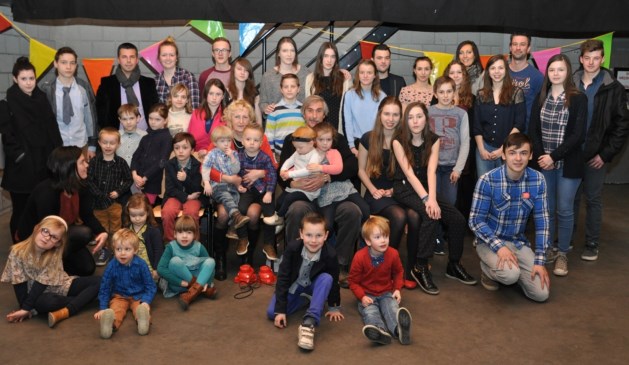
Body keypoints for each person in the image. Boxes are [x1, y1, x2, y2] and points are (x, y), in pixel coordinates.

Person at [392, 101, 476, 295]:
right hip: (405, 187)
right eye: (411, 117)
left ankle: (454, 264)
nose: (415, 121)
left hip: (426, 188)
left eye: (419, 116)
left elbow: (431, 171)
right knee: (430, 215)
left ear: (426, 118)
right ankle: (419, 267)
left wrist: (432, 198)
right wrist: (426, 200)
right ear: (406, 120)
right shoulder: (398, 141)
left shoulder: (434, 139)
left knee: (457, 219)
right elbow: (410, 174)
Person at [279, 95, 362, 288]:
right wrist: (296, 184)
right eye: (310, 110)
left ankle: (340, 265)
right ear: (303, 113)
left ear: (325, 115)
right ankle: (294, 263)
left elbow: (352, 165)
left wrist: (328, 177)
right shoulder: (293, 139)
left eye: (319, 111)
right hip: (305, 195)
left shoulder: (335, 138)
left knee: (352, 211)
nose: (314, 115)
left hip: (332, 197)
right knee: (296, 209)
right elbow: (281, 172)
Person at [469, 133, 550, 302]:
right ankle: (489, 271)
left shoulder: (538, 180)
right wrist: (500, 247)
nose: (518, 158)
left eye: (523, 153)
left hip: (518, 242)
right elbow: (475, 220)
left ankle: (517, 271)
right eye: (513, 153)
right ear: (504, 155)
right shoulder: (488, 180)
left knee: (541, 294)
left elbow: (542, 222)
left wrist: (540, 261)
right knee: (510, 275)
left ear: (531, 155)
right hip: (489, 242)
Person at [529, 54, 587, 277]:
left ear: (568, 72)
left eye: (560, 70)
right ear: (547, 73)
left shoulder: (578, 98)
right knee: (547, 209)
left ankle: (562, 252)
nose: (555, 73)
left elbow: (577, 135)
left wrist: (554, 156)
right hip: (545, 164)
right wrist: (544, 156)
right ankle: (548, 249)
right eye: (552, 69)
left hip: (568, 164)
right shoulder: (541, 97)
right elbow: (533, 129)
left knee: (564, 209)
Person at [206, 100, 278, 276]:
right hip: (225, 189)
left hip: (253, 190)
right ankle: (220, 257)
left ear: (250, 119)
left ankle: (248, 258)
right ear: (229, 118)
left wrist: (259, 173)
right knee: (223, 214)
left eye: (245, 117)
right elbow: (208, 167)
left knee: (253, 214)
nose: (240, 120)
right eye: (236, 116)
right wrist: (229, 178)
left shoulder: (260, 138)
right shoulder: (222, 136)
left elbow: (273, 166)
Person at [573, 39, 629, 262]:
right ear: (581, 59)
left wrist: (605, 154)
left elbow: (622, 124)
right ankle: (565, 240)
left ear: (603, 59)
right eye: (587, 58)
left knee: (593, 199)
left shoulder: (613, 87)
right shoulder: (571, 82)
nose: (591, 62)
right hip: (572, 154)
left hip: (595, 156)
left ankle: (591, 243)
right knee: (571, 199)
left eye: (596, 58)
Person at [358, 97, 421, 289]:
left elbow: (410, 173)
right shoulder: (368, 138)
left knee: (415, 216)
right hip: (375, 193)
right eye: (387, 113)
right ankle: (387, 269)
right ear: (380, 114)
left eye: (395, 114)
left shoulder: (404, 140)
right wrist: (374, 190)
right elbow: (361, 170)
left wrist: (393, 190)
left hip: (398, 191)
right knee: (399, 216)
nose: (391, 119)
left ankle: (410, 269)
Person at [17, 146, 108, 276]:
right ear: (69, 167)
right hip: (36, 241)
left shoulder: (81, 186)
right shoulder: (46, 193)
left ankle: (59, 264)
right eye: (82, 162)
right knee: (84, 233)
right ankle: (44, 267)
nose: (87, 165)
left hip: (59, 234)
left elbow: (87, 215)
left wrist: (102, 232)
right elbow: (46, 233)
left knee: (87, 268)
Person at [0, 57, 63, 241]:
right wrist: (21, 157)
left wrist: (58, 153)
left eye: (31, 78)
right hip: (22, 168)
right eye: (24, 79)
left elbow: (52, 127)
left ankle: (40, 246)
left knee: (43, 210)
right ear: (14, 79)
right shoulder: (7, 103)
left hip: (44, 164)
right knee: (21, 212)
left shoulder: (41, 98)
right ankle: (19, 249)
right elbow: (7, 137)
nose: (28, 83)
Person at [1, 216, 100, 328]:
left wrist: (26, 309)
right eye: (45, 231)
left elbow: (43, 283)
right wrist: (25, 308)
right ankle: (86, 299)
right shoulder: (17, 253)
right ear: (36, 229)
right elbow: (19, 285)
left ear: (57, 243)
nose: (47, 238)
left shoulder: (54, 255)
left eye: (54, 237)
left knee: (101, 281)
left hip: (62, 285)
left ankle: (75, 304)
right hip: (38, 296)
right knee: (47, 303)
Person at [266, 212, 344, 351]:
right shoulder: (292, 248)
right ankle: (305, 300)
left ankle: (309, 322)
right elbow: (283, 278)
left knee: (327, 278)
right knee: (273, 313)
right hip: (295, 286)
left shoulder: (330, 254)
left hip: (314, 285)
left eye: (319, 235)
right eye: (309, 235)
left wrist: (334, 306)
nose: (313, 240)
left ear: (326, 236)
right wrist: (280, 310)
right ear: (301, 234)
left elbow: (334, 281)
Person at [348, 216, 412, 345]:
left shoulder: (393, 254)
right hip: (367, 294)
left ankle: (398, 330)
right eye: (377, 237)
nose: (383, 241)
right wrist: (362, 297)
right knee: (370, 312)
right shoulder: (359, 257)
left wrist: (397, 289)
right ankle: (379, 332)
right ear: (368, 241)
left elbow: (398, 272)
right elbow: (353, 282)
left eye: (386, 236)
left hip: (386, 292)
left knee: (392, 308)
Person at [94, 229, 156, 339]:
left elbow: (150, 286)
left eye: (127, 249)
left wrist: (146, 301)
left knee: (140, 310)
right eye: (119, 249)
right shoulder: (111, 266)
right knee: (116, 311)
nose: (122, 253)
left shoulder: (141, 265)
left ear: (135, 250)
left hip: (138, 296)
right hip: (119, 296)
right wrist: (103, 307)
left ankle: (143, 322)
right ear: (114, 250)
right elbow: (105, 287)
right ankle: (110, 325)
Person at [40, 47, 98, 159]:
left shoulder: (84, 88)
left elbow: (90, 118)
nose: (68, 67)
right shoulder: (47, 89)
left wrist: (92, 145)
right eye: (63, 62)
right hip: (57, 146)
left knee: (82, 175)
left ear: (76, 65)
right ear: (55, 64)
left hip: (81, 144)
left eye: (72, 63)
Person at [474, 54, 526, 178]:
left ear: (506, 70)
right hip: (484, 148)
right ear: (488, 72)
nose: (496, 72)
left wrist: (504, 149)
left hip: (509, 148)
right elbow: (476, 125)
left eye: (500, 68)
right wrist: (481, 149)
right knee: (486, 188)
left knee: (505, 187)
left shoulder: (516, 93)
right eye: (493, 68)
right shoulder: (481, 95)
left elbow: (519, 123)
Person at [311, 122, 370, 230]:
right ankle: (326, 245)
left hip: (344, 188)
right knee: (327, 225)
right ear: (314, 140)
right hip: (326, 194)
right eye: (321, 139)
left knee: (365, 210)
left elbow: (338, 169)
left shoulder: (335, 152)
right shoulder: (311, 154)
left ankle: (364, 239)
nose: (325, 143)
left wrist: (321, 168)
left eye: (328, 140)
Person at [237, 124, 279, 261]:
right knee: (241, 209)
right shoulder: (238, 157)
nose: (251, 143)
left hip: (263, 191)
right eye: (248, 139)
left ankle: (268, 244)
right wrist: (238, 185)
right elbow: (235, 173)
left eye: (256, 140)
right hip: (247, 190)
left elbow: (272, 175)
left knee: (269, 214)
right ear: (242, 141)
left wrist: (269, 192)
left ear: (261, 143)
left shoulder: (265, 157)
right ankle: (243, 238)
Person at [157, 215, 217, 310]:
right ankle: (201, 290)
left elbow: (209, 269)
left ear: (194, 235)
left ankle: (190, 295)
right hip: (179, 285)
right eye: (180, 232)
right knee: (175, 261)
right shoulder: (170, 247)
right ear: (175, 234)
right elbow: (161, 269)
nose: (184, 236)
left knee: (211, 261)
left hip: (198, 280)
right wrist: (180, 282)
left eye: (189, 232)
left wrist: (206, 281)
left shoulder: (199, 246)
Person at [96, 43, 159, 131]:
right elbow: (101, 114)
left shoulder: (149, 83)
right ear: (118, 60)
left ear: (137, 60)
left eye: (132, 57)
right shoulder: (107, 84)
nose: (128, 61)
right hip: (117, 138)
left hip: (145, 137)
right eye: (124, 57)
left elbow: (155, 111)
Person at [428, 76, 470, 207]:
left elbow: (465, 143)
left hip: (451, 168)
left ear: (454, 92)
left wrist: (458, 169)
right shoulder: (427, 111)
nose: (445, 96)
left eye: (449, 91)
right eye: (441, 92)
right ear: (435, 94)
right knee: (433, 202)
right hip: (432, 166)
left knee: (449, 204)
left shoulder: (461, 113)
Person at [86, 128, 133, 245]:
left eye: (112, 143)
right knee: (101, 228)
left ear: (118, 144)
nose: (108, 146)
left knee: (116, 227)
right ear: (99, 143)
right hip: (98, 203)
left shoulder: (121, 163)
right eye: (105, 142)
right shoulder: (94, 161)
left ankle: (116, 247)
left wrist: (119, 191)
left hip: (114, 203)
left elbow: (129, 179)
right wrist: (99, 194)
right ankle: (103, 248)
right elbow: (89, 180)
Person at [444, 60, 477, 220]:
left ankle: (462, 223)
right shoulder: (441, 98)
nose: (455, 76)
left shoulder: (472, 98)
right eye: (452, 73)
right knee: (447, 190)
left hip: (465, 149)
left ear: (464, 76)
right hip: (445, 150)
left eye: (459, 72)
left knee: (464, 188)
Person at [202, 125, 250, 233]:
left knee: (236, 198)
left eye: (228, 140)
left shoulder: (234, 154)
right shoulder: (212, 154)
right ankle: (237, 217)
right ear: (215, 143)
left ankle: (233, 225)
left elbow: (236, 170)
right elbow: (205, 168)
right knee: (226, 196)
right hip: (216, 187)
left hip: (231, 187)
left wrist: (232, 158)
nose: (226, 144)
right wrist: (206, 183)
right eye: (222, 141)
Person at [162, 132, 203, 242]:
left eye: (185, 147)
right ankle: (170, 243)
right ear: (173, 150)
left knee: (191, 213)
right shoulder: (169, 165)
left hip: (194, 197)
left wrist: (186, 180)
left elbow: (197, 188)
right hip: (175, 196)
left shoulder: (197, 165)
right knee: (167, 212)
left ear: (192, 150)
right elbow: (170, 189)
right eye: (177, 148)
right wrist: (186, 197)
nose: (180, 151)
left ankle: (193, 243)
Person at [130, 103, 172, 205]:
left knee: (146, 209)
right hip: (137, 180)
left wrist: (144, 178)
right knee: (135, 209)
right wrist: (134, 174)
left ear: (165, 121)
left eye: (157, 119)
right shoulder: (145, 137)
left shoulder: (167, 138)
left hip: (152, 182)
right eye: (150, 118)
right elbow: (135, 157)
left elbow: (162, 162)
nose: (153, 122)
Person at [305, 42, 353, 131]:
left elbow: (350, 107)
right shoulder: (310, 79)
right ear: (320, 58)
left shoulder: (345, 79)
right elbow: (308, 108)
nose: (329, 60)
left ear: (336, 59)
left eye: (332, 56)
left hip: (338, 130)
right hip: (317, 131)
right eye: (326, 56)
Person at [343, 59, 387, 155]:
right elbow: (348, 122)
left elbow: (384, 123)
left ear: (375, 75)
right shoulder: (349, 95)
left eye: (369, 72)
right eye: (362, 72)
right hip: (356, 143)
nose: (365, 76)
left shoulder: (382, 96)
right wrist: (352, 146)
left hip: (376, 142)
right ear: (358, 74)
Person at [259, 37, 309, 116]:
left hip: (301, 121)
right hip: (278, 122)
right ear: (278, 53)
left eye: (292, 50)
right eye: (285, 51)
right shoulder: (268, 76)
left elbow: (312, 99)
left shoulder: (306, 73)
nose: (289, 54)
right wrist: (266, 108)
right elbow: (262, 102)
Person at [278, 126, 322, 215]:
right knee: (280, 200)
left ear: (311, 143)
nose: (297, 150)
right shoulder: (298, 151)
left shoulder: (315, 155)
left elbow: (308, 170)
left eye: (300, 147)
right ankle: (277, 215)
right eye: (295, 147)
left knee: (289, 198)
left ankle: (279, 216)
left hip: (309, 190)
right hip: (297, 185)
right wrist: (283, 170)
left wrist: (289, 174)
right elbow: (289, 161)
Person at [123, 193, 163, 282]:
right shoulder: (126, 229)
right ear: (128, 213)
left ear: (148, 212)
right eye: (133, 215)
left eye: (141, 215)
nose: (137, 219)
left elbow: (158, 250)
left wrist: (156, 269)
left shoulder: (153, 231)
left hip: (149, 269)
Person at [508, 33, 544, 131]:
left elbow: (541, 108)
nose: (518, 48)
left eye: (522, 44)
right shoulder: (500, 73)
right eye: (515, 44)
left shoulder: (538, 77)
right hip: (501, 131)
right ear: (510, 47)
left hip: (525, 134)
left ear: (528, 49)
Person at [188, 78, 228, 161]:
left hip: (218, 158)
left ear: (223, 96)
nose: (214, 97)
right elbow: (190, 140)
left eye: (218, 94)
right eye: (211, 93)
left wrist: (208, 152)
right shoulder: (195, 114)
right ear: (206, 95)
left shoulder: (227, 116)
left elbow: (227, 144)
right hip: (195, 156)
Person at [265, 73, 305, 156]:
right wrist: (271, 154)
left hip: (301, 154)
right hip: (279, 154)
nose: (289, 90)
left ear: (298, 89)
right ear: (281, 89)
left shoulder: (303, 110)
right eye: (286, 87)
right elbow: (269, 135)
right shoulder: (274, 111)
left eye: (293, 86)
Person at [155, 36, 200, 109]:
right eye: (164, 55)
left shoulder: (188, 77)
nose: (168, 58)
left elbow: (194, 108)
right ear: (159, 58)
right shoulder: (155, 81)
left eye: (171, 55)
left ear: (176, 58)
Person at [227, 57, 262, 123]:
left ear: (249, 74)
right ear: (233, 71)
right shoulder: (226, 92)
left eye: (246, 70)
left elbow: (258, 119)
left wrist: (259, 132)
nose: (242, 72)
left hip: (249, 130)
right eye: (239, 69)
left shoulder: (254, 92)